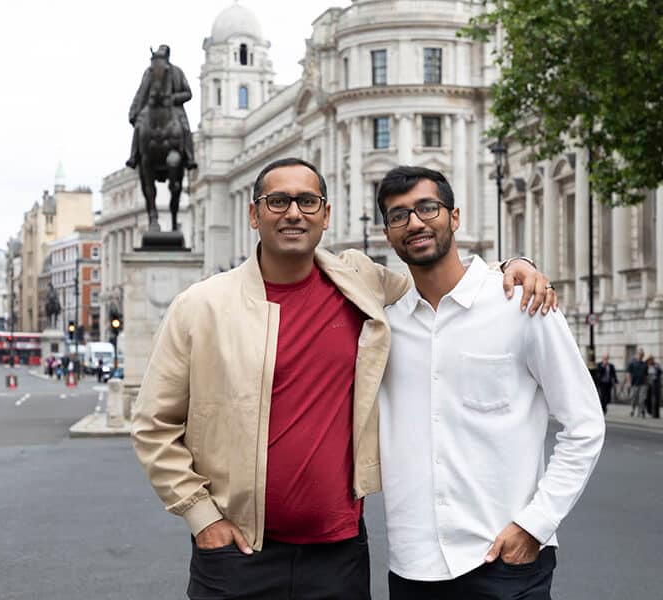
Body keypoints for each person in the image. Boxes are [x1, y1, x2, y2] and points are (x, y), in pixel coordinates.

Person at [131, 157, 556, 600]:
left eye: (307, 201)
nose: (293, 213)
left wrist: (511, 266)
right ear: (254, 214)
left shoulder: (361, 282)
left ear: (326, 215)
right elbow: (152, 425)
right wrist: (202, 517)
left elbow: (441, 281)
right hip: (236, 553)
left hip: (338, 556)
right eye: (277, 201)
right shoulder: (200, 306)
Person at [375, 166, 605, 600]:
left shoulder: (520, 304)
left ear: (454, 217)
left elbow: (585, 425)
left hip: (505, 560)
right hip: (412, 566)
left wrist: (535, 524)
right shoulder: (382, 325)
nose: (415, 222)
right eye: (398, 215)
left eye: (428, 208)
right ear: (387, 234)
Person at [126, 44, 197, 170]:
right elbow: (141, 92)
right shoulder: (150, 72)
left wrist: (173, 98)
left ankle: (189, 157)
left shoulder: (177, 72)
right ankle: (133, 156)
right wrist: (134, 111)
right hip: (152, 105)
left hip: (174, 107)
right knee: (139, 125)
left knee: (185, 127)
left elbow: (188, 93)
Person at [627, 349, 648, 418]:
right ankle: (632, 409)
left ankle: (641, 411)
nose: (640, 356)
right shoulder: (632, 363)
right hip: (634, 384)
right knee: (633, 398)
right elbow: (628, 373)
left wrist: (647, 384)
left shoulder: (645, 364)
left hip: (643, 384)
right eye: (639, 354)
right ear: (636, 355)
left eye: (642, 355)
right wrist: (629, 382)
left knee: (642, 399)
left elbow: (646, 375)